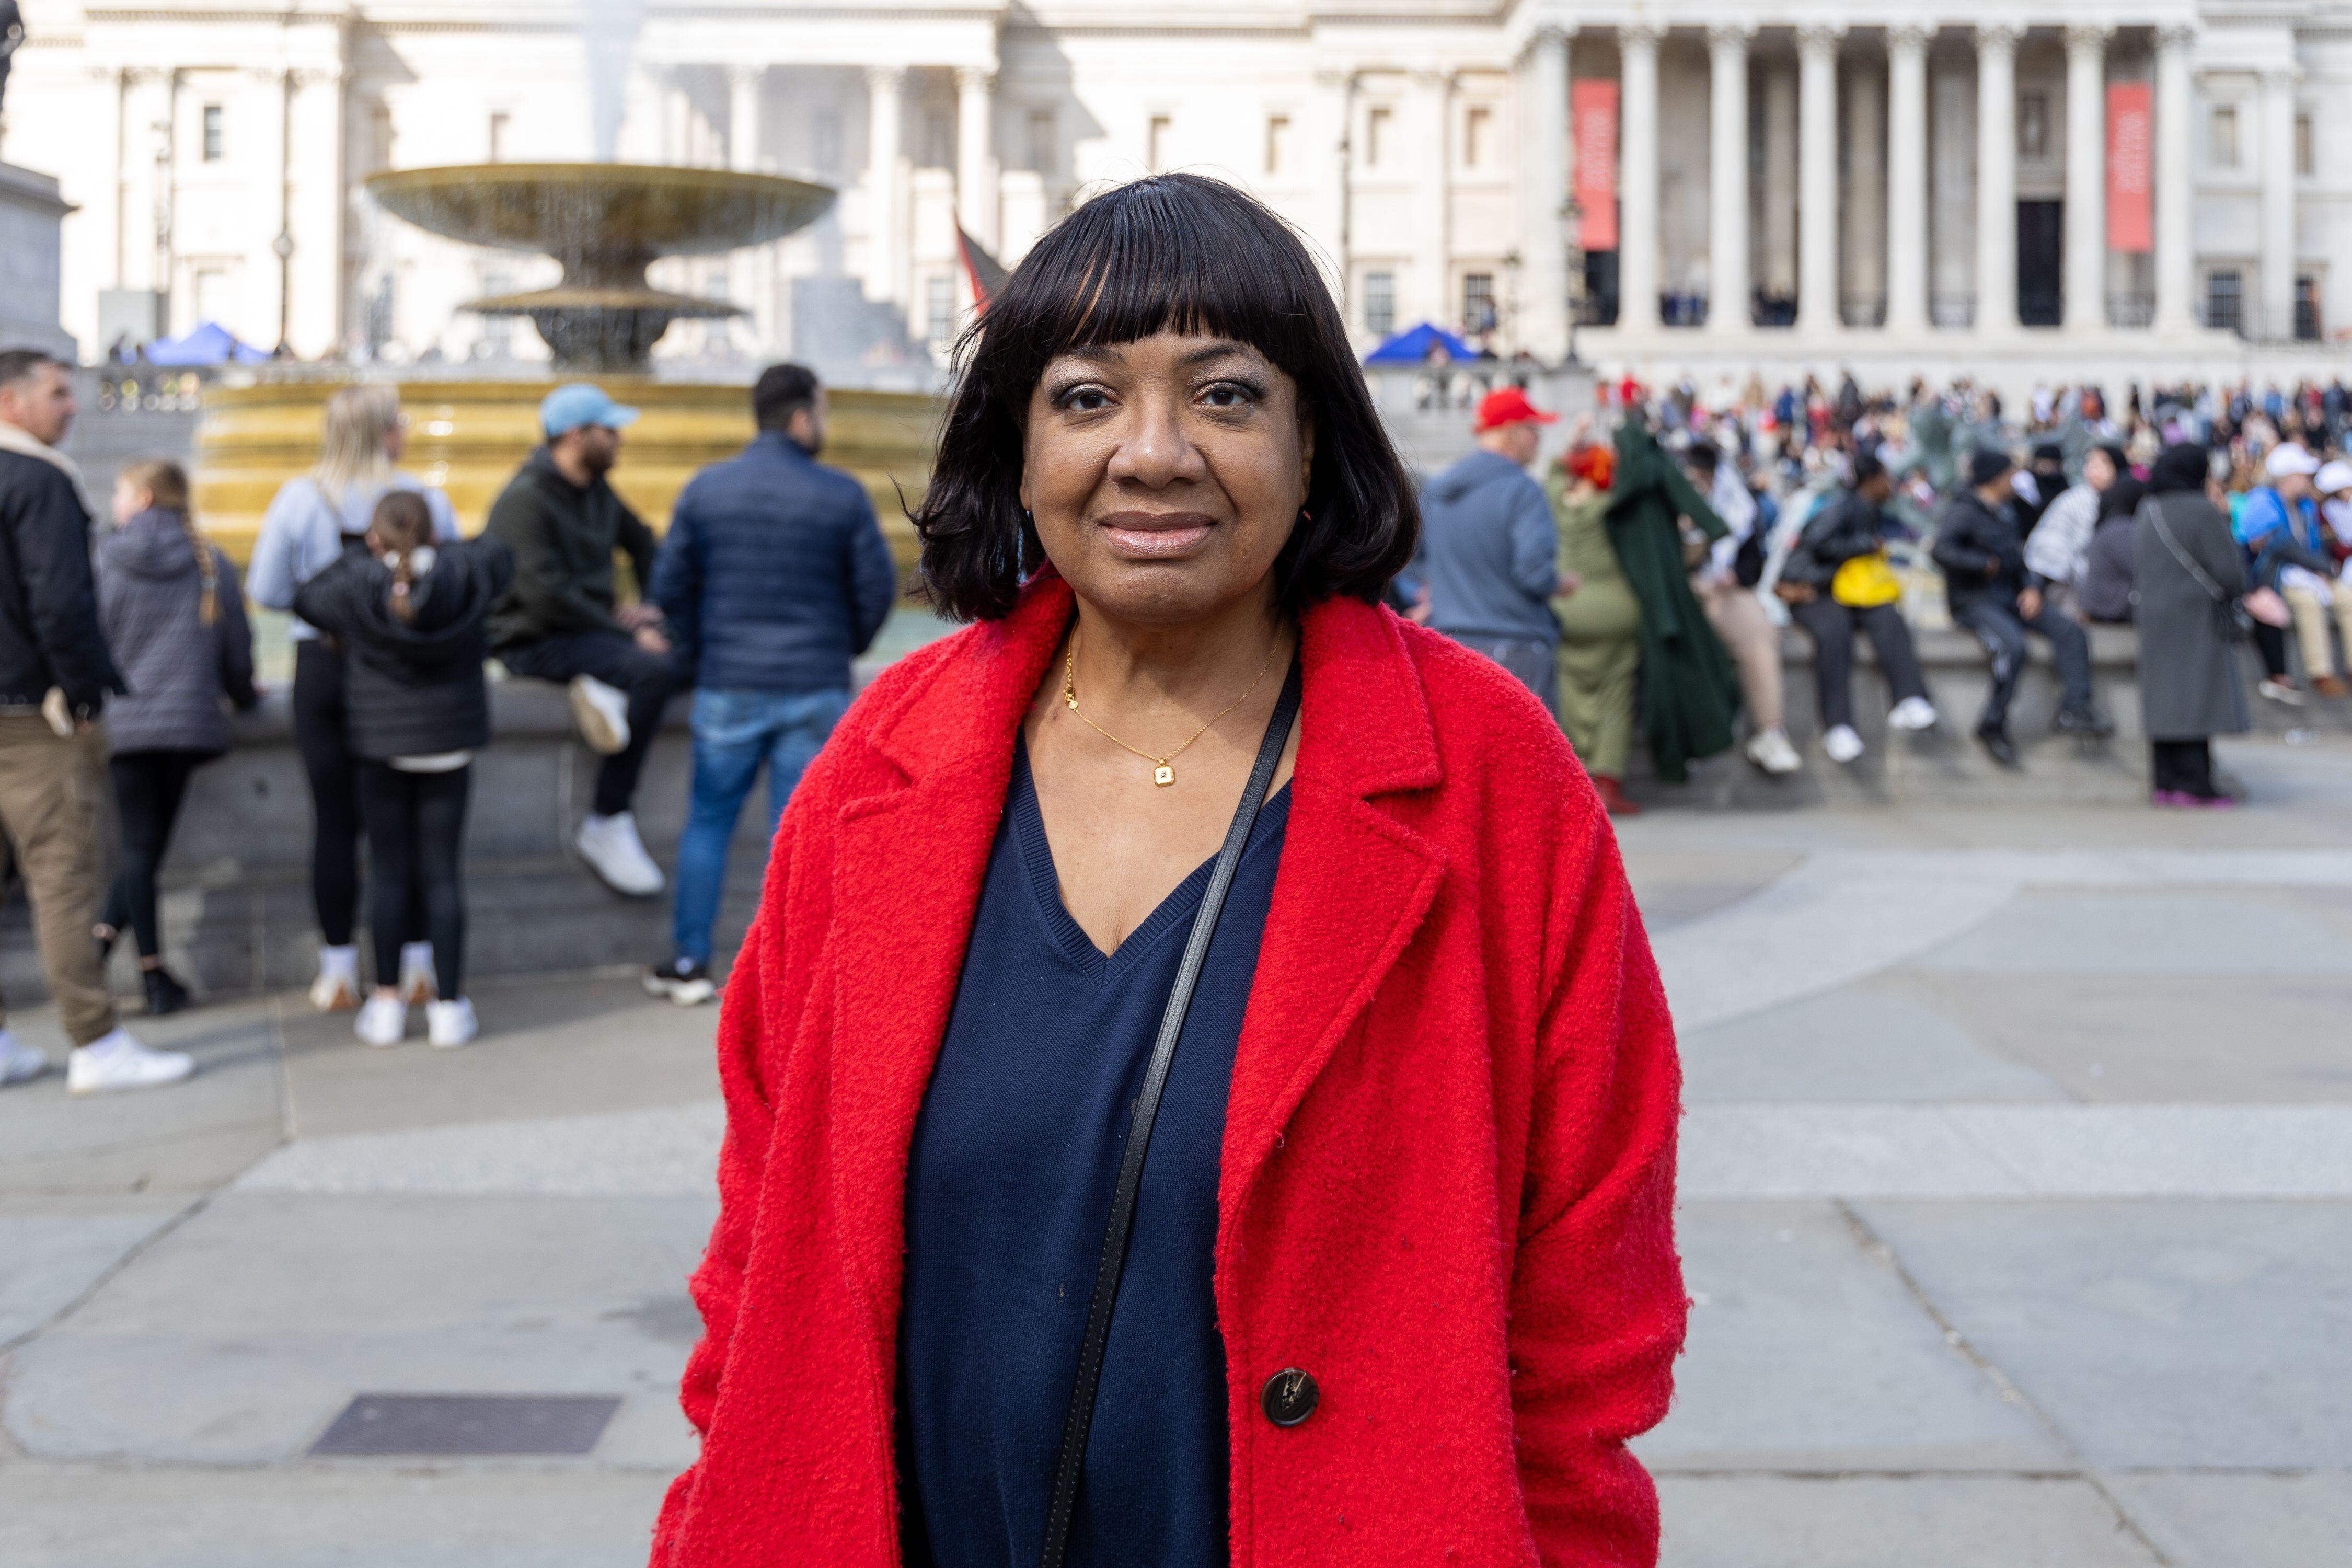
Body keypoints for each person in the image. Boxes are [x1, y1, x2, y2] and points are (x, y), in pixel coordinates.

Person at [652, 174, 1682, 1567]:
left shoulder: (1491, 779)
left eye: (1225, 396)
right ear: (1016, 446)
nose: (1152, 452)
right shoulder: (877, 768)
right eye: (1085, 398)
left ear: (1313, 439)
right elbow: (757, 1257)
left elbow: (1586, 1318)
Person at [642, 363, 896, 1005]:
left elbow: (669, 590)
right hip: (813, 685)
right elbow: (875, 590)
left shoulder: (707, 490)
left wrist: (704, 649)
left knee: (707, 823)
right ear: (802, 417)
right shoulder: (840, 494)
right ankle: (790, 976)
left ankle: (690, 962)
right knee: (800, 836)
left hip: (729, 683)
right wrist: (846, 645)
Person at [0, 349, 191, 1093]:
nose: (72, 406)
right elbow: (62, 604)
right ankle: (96, 1041)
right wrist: (81, 698)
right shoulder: (41, 480)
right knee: (63, 877)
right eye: (57, 394)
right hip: (29, 718)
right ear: (11, 402)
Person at [247, 384, 457, 1012]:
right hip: (398, 670)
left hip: (325, 668)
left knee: (334, 821)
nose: (410, 428)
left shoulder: (300, 498)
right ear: (384, 432)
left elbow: (266, 589)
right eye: (401, 420)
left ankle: (337, 968)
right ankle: (417, 962)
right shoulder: (425, 499)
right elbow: (450, 582)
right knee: (405, 826)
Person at [295, 490, 514, 1048]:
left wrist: (363, 556)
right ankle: (449, 1007)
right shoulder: (463, 576)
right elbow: (501, 556)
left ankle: (387, 1003)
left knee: (389, 873)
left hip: (381, 745)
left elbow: (305, 599)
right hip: (449, 743)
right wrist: (443, 547)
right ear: (434, 532)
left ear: (375, 537)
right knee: (443, 875)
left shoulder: (358, 583)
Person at [486, 383, 679, 897]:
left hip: (586, 629)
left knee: (682, 655)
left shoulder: (595, 491)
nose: (619, 440)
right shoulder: (524, 499)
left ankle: (603, 685)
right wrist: (628, 632)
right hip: (533, 639)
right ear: (575, 436)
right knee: (654, 670)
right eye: (609, 431)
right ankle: (607, 817)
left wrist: (653, 608)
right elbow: (544, 597)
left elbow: (643, 543)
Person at [91, 459, 258, 1016]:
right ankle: (124, 959)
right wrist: (246, 696)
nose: (115, 504)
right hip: (189, 724)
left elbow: (85, 639)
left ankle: (142, 970)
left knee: (140, 848)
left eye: (119, 493)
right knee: (147, 847)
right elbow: (238, 648)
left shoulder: (105, 559)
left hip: (126, 724)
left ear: (141, 498)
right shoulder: (212, 562)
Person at [1933, 447, 2107, 768]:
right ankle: (1993, 721)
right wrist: (1982, 564)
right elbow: (1941, 551)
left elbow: (2017, 558)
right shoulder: (1963, 511)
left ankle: (2075, 708)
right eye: (2011, 475)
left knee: (2070, 631)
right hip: (1975, 600)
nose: (2016, 481)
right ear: (1995, 478)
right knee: (2012, 647)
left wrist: (2030, 587)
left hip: (2010, 597)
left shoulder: (2005, 511)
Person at [1779, 450, 1939, 763]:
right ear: (1872, 480)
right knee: (1835, 632)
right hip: (1812, 589)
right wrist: (1866, 546)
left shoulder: (1870, 509)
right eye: (1887, 478)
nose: (1892, 485)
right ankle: (1838, 726)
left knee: (1887, 617)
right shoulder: (1839, 508)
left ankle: (1910, 696)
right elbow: (1816, 545)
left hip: (1846, 590)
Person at [1606, 418, 1740, 783]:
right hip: (1667, 591)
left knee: (1665, 675)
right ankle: (1682, 757)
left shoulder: (1616, 484)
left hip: (1642, 591)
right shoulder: (1657, 468)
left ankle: (1674, 760)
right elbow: (1709, 520)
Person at [1411, 386, 1561, 702]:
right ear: (1513, 433)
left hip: (1451, 645)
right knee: (1529, 752)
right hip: (1518, 647)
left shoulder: (1439, 489)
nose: (1539, 439)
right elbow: (1534, 574)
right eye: (1534, 430)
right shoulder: (1523, 491)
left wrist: (1433, 592)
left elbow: (1414, 560)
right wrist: (1561, 584)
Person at [2136, 444, 2250, 805]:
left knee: (2166, 702)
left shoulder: (2147, 508)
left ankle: (2166, 784)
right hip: (2195, 617)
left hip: (2154, 617)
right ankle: (2196, 785)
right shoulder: (2201, 510)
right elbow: (2231, 573)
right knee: (2197, 701)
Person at [1683, 440, 1800, 775]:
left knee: (1759, 634)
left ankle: (1771, 730)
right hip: (1687, 595)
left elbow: (1752, 564)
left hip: (1726, 592)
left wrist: (1732, 577)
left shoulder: (1740, 507)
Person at [1546, 441, 1643, 814]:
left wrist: (1572, 444)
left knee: (1571, 694)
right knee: (1614, 698)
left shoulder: (1557, 502)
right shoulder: (1609, 507)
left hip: (1568, 608)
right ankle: (1608, 783)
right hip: (1616, 608)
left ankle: (1580, 779)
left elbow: (1553, 473)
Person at [2238, 443, 2348, 697]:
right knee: (2308, 602)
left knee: (2347, 598)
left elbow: (2314, 544)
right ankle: (2321, 673)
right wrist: (2323, 567)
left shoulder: (2306, 506)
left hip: (2309, 573)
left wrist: (2323, 569)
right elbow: (2279, 546)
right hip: (2277, 578)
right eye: (2303, 475)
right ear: (2288, 477)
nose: (2308, 480)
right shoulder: (2262, 501)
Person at [2024, 442, 2126, 613]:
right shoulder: (2074, 500)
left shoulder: (2127, 501)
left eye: (2103, 463)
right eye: (2090, 462)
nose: (2094, 468)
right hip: (2066, 587)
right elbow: (2050, 545)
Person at [2078, 476, 2148, 625]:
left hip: (2102, 603)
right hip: (2110, 607)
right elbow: (2140, 568)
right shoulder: (2122, 527)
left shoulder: (2112, 523)